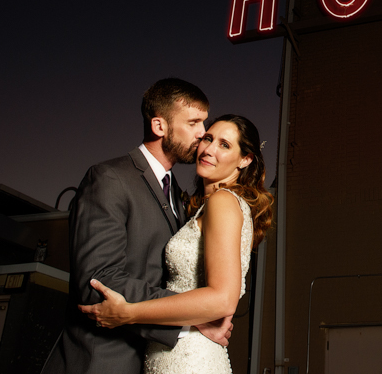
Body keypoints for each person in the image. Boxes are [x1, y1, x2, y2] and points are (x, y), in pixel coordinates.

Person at [42, 78, 233, 374]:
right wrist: (190, 317)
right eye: (194, 122)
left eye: (204, 122)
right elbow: (98, 281)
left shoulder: (176, 194)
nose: (202, 133)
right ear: (159, 126)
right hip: (102, 361)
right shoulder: (110, 178)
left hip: (154, 361)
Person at [79, 114, 274, 374]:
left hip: (190, 358)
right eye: (208, 138)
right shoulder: (203, 207)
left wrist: (130, 313)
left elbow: (222, 299)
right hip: (171, 351)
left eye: (225, 145)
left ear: (245, 159)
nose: (209, 150)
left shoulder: (223, 202)